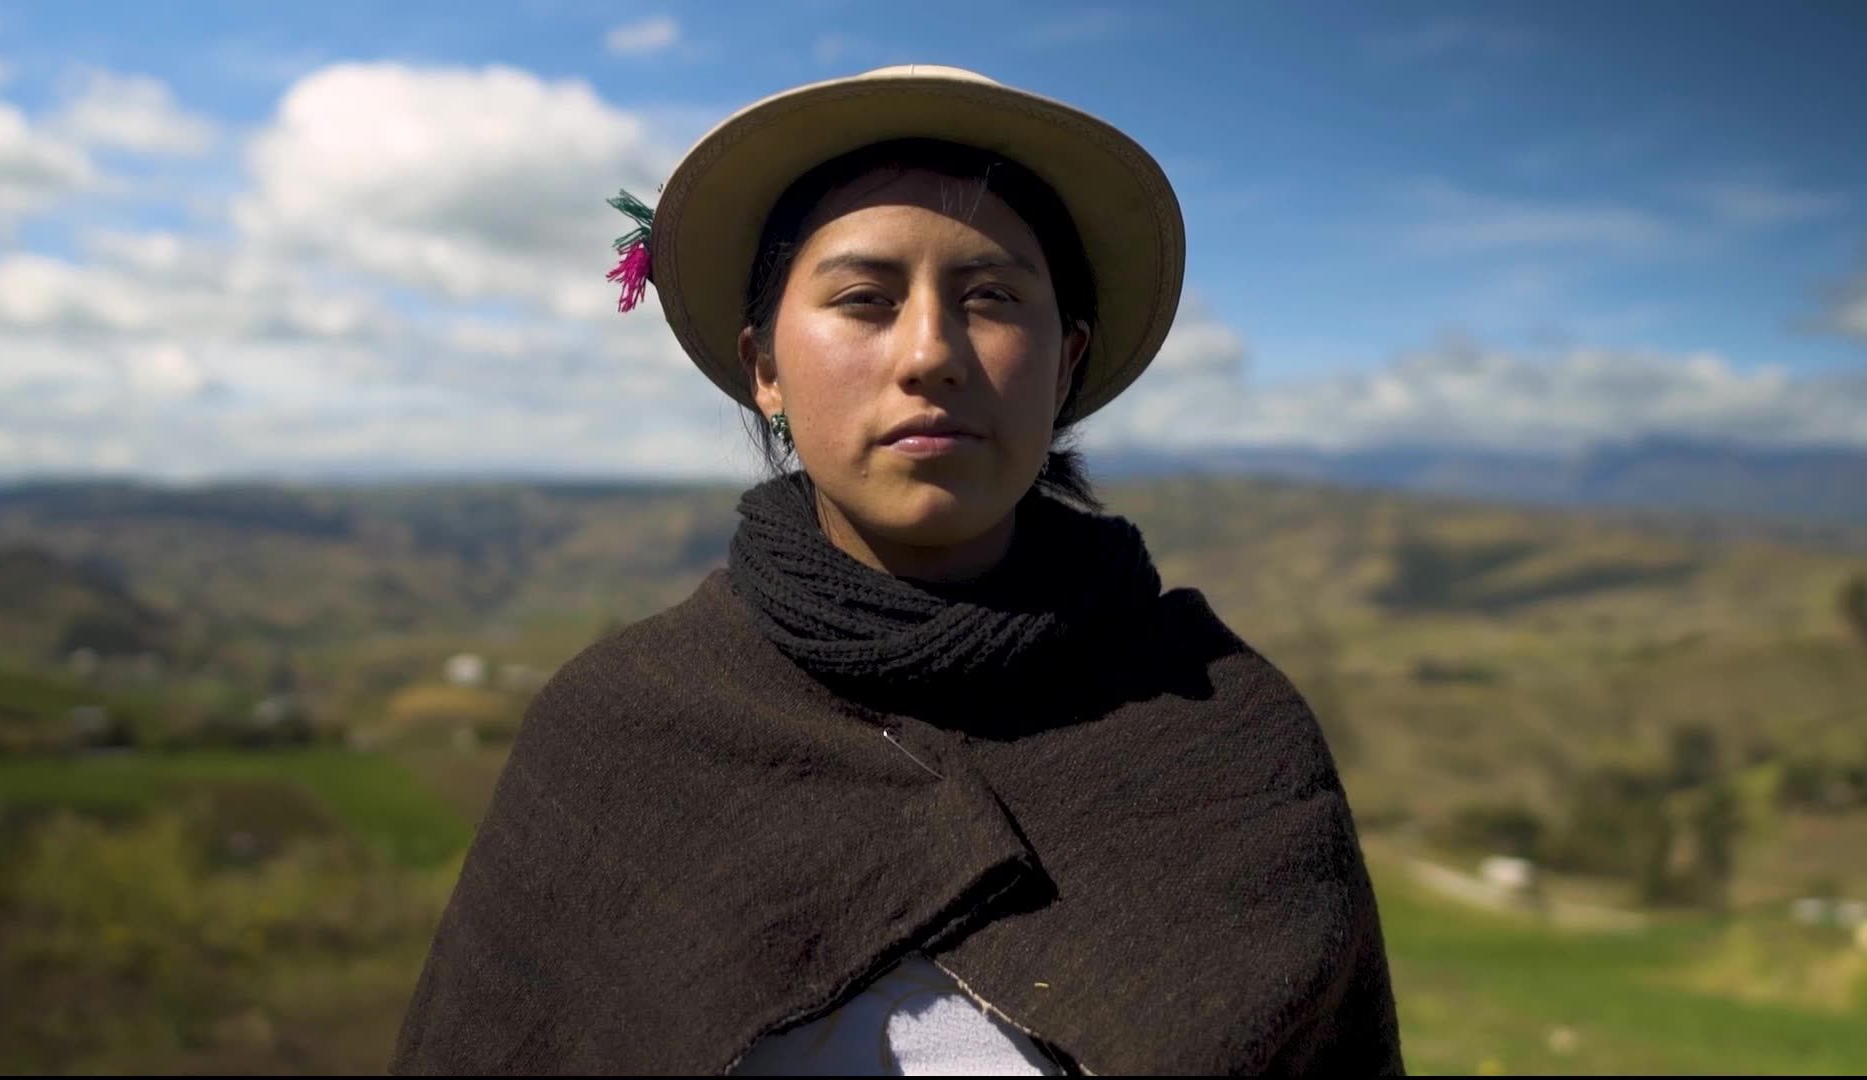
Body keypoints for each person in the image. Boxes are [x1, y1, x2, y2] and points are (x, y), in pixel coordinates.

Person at [390, 65, 1403, 1076]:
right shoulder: (620, 735)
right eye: (865, 299)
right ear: (765, 366)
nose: (930, 353)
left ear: (1065, 364)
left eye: (994, 296)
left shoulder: (1224, 736)